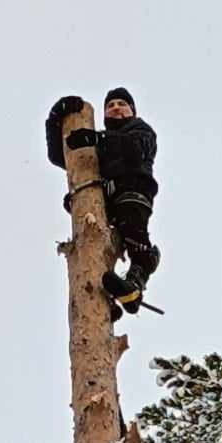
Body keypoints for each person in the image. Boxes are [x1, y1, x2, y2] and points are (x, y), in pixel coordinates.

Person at [45, 88, 160, 316]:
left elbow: (134, 148)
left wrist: (97, 138)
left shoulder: (140, 130)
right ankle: (107, 300)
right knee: (98, 247)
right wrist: (55, 119)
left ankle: (137, 280)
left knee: (134, 231)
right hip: (103, 201)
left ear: (132, 111)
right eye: (111, 105)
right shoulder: (99, 145)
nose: (116, 107)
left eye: (122, 104)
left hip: (132, 191)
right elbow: (61, 154)